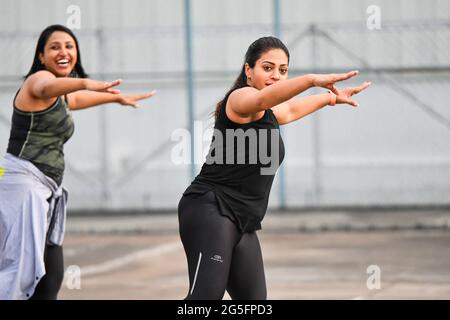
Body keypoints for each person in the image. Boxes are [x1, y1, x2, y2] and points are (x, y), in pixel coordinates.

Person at [178, 36, 370, 300]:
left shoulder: (268, 112)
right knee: (204, 301)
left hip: (242, 219)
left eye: (283, 70)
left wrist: (330, 99)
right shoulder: (239, 100)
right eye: (267, 68)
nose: (276, 76)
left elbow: (290, 109)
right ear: (249, 70)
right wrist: (311, 80)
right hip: (211, 208)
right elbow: (262, 100)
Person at [0, 24, 156, 300]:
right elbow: (54, 86)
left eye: (69, 46)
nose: (63, 52)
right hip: (22, 185)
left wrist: (115, 98)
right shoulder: (38, 82)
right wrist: (85, 81)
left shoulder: (59, 95)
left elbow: (76, 98)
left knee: (51, 275)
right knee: (20, 273)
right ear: (41, 56)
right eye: (55, 47)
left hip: (45, 188)